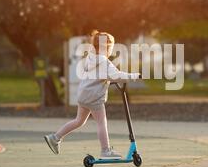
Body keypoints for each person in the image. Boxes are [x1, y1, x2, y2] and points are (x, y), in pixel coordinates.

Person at [44, 30, 141, 159]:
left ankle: (55, 137)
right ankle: (105, 151)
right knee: (102, 122)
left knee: (79, 121)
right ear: (105, 47)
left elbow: (100, 76)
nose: (111, 50)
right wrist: (135, 75)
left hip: (84, 95)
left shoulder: (90, 58)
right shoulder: (104, 62)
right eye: (111, 47)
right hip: (94, 97)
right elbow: (117, 75)